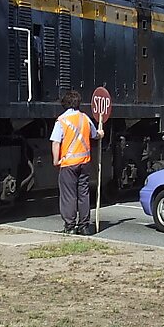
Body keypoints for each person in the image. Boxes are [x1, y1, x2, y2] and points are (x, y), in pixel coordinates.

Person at [50, 90, 103, 235]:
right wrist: (100, 134)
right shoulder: (85, 118)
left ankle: (70, 226)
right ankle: (84, 226)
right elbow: (94, 135)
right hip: (84, 163)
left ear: (64, 104)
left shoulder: (62, 120)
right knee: (83, 194)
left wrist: (56, 160)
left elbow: (56, 142)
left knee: (69, 195)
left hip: (68, 164)